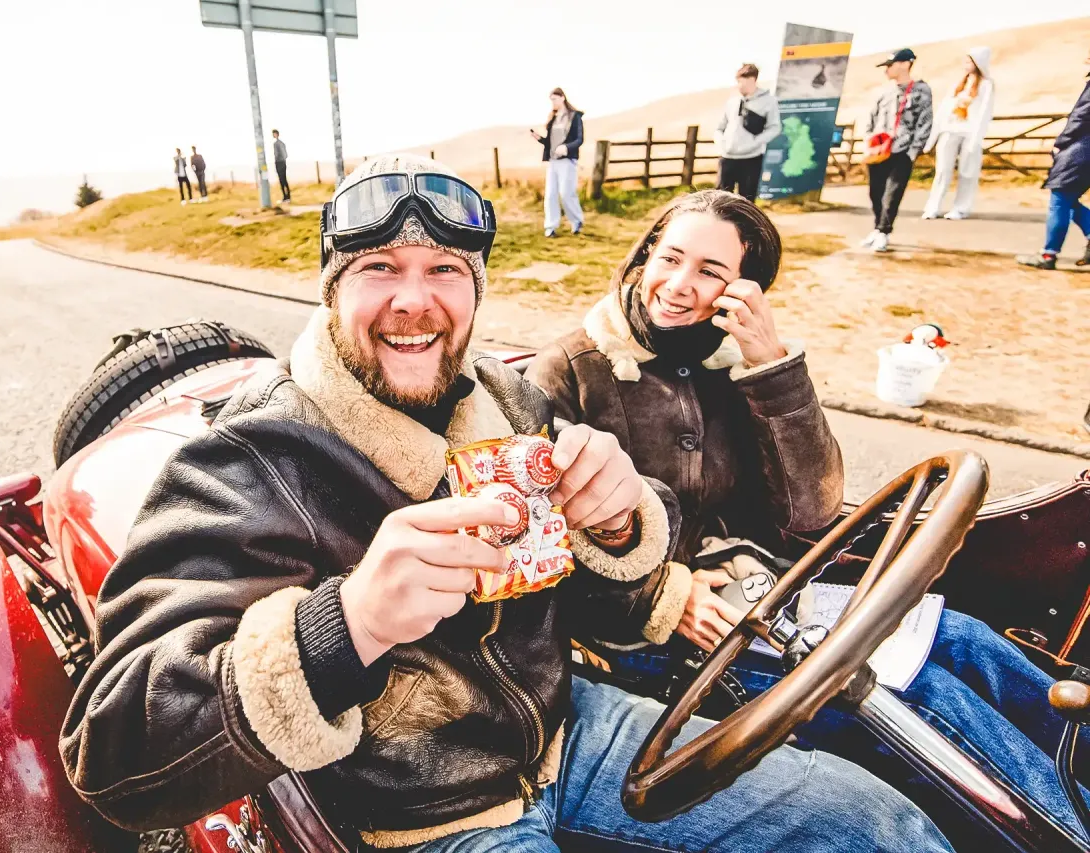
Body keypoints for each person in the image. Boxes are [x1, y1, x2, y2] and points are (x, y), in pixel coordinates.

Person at [60, 156, 952, 853]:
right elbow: (113, 752)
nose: (415, 300)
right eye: (379, 267)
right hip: (420, 819)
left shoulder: (508, 401)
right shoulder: (250, 458)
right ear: (334, 289)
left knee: (885, 827)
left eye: (446, 269)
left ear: (475, 290)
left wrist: (617, 523)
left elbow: (608, 605)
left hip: (572, 732)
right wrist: (348, 624)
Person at [527, 188, 1090, 840]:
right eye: (670, 258)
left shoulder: (729, 361)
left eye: (709, 271)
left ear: (743, 290)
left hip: (765, 593)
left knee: (965, 640)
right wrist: (664, 594)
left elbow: (812, 507)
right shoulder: (568, 371)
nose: (679, 285)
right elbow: (537, 543)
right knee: (925, 697)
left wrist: (772, 367)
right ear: (644, 255)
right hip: (645, 638)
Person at [1018, 49, 1090, 270]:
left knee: (1060, 200)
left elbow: (1080, 117)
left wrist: (1060, 142)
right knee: (1069, 201)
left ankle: (1048, 255)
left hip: (1080, 151)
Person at [861, 48, 934, 253]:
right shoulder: (883, 92)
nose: (886, 70)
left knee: (892, 194)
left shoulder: (921, 90)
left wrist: (913, 151)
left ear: (904, 64)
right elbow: (871, 117)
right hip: (878, 151)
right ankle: (877, 227)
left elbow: (925, 121)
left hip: (902, 151)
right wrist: (869, 141)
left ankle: (884, 231)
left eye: (890, 65)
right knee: (875, 192)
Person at [923, 48, 995, 221]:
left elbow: (985, 112)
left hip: (970, 133)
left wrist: (976, 137)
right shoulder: (958, 84)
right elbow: (944, 108)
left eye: (969, 61)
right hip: (950, 130)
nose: (966, 65)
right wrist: (933, 137)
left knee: (968, 172)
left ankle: (961, 208)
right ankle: (933, 206)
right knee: (942, 170)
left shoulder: (986, 85)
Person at [714, 63, 781, 201]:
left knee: (747, 200)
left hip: (751, 159)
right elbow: (719, 127)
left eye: (743, 82)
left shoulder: (769, 101)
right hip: (727, 158)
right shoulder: (732, 102)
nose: (740, 86)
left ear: (753, 80)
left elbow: (775, 127)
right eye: (738, 82)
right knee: (720, 200)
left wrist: (755, 142)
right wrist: (721, 143)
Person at [530, 88, 584, 238]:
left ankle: (576, 221)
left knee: (567, 193)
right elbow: (549, 143)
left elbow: (579, 139)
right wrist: (539, 138)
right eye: (551, 100)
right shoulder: (553, 118)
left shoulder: (574, 117)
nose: (552, 102)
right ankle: (550, 227)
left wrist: (566, 147)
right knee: (550, 195)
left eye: (554, 99)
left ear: (562, 98)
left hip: (567, 161)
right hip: (553, 162)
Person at [273, 129, 290, 202]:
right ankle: (287, 196)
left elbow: (277, 154)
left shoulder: (276, 144)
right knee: (284, 180)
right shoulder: (282, 143)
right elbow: (286, 155)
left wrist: (278, 160)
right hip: (283, 163)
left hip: (279, 163)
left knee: (282, 180)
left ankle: (286, 197)